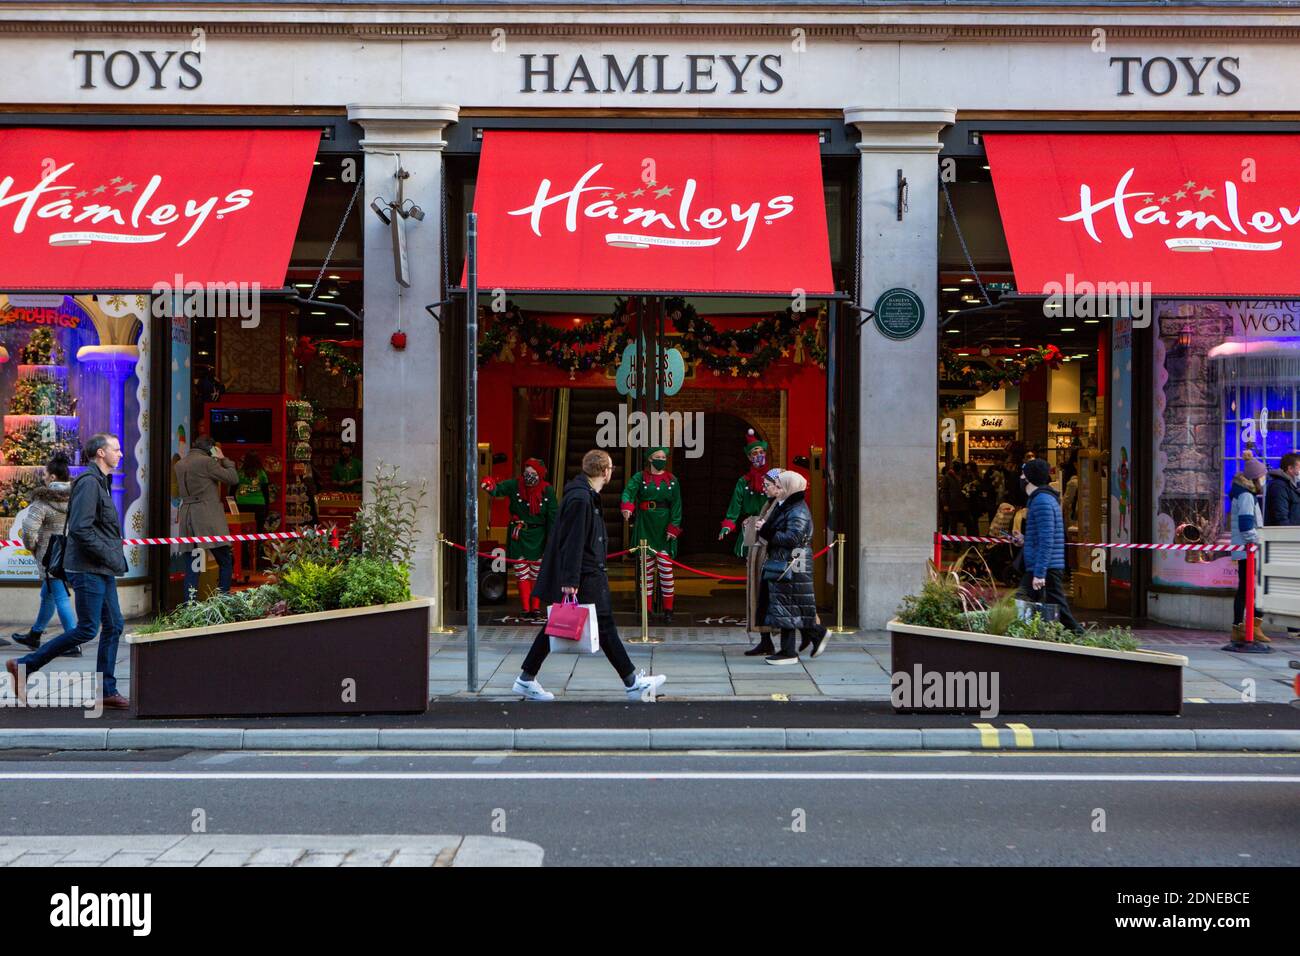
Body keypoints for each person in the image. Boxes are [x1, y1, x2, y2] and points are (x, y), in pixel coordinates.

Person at [512, 449, 667, 702]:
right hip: (585, 574)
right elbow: (573, 542)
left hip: (585, 572)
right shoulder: (581, 499)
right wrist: (570, 581)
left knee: (558, 626)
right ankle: (632, 683)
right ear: (605, 471)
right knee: (602, 625)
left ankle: (526, 679)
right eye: (612, 469)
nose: (611, 473)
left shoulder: (583, 495)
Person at [7, 434, 129, 709]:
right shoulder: (89, 483)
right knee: (87, 629)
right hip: (88, 567)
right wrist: (109, 553)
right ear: (100, 453)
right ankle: (24, 665)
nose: (120, 454)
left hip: (100, 566)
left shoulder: (101, 482)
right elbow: (80, 528)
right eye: (116, 449)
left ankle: (106, 690)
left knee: (114, 625)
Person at [9, 452, 78, 657]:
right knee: (47, 593)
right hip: (69, 551)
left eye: (46, 474)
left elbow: (29, 529)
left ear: (53, 478)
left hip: (49, 554)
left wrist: (31, 547)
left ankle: (72, 642)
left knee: (60, 596)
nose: (44, 478)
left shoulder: (43, 501)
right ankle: (35, 634)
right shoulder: (77, 498)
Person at [756, 470, 828, 664]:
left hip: (792, 561)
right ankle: (812, 636)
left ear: (790, 488)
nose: (777, 489)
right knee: (788, 604)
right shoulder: (787, 506)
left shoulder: (797, 510)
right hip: (786, 561)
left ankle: (791, 650)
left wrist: (765, 529)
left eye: (780, 486)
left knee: (787, 604)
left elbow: (792, 538)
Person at [481, 457, 557, 615]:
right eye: (526, 471)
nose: (529, 475)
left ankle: (535, 607)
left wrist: (552, 540)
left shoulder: (547, 490)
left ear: (540, 474)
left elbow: (553, 515)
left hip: (540, 536)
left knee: (536, 572)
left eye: (533, 472)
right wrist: (489, 484)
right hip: (519, 534)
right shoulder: (515, 484)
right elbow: (498, 489)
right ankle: (525, 607)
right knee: (521, 571)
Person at [1016, 457, 1081, 633]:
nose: (1021, 478)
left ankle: (1077, 635)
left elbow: (1047, 539)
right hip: (1045, 565)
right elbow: (1044, 535)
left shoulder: (1041, 501)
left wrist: (1039, 573)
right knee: (1054, 605)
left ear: (1030, 477)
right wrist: (1024, 539)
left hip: (1045, 567)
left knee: (1023, 599)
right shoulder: (1043, 499)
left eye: (1023, 474)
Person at [621, 447, 683, 623]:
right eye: (658, 457)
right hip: (645, 526)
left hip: (664, 529)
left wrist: (674, 526)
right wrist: (627, 506)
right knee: (645, 572)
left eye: (664, 457)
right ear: (650, 459)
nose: (661, 459)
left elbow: (677, 505)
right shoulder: (640, 478)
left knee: (666, 571)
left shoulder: (672, 480)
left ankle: (669, 610)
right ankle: (646, 610)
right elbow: (628, 492)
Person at [174, 435, 239, 600]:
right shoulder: (207, 462)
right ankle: (222, 600)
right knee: (225, 560)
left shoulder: (180, 463)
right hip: (208, 517)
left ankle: (190, 604)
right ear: (211, 449)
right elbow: (233, 478)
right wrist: (224, 459)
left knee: (193, 564)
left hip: (188, 516)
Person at [1230, 453, 1272, 644]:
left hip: (1246, 550)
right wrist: (1259, 541)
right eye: (1262, 476)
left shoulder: (1243, 493)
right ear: (1255, 478)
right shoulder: (1247, 496)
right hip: (1250, 550)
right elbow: (1247, 525)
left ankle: (1240, 627)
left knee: (1245, 588)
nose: (1264, 479)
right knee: (1254, 588)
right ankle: (1250, 627)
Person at [744, 467, 783, 656]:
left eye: (767, 485)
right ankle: (765, 641)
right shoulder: (770, 503)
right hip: (762, 556)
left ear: (778, 486)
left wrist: (762, 526)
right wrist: (753, 523)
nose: (764, 488)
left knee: (776, 602)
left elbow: (783, 532)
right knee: (761, 599)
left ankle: (814, 633)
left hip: (772, 557)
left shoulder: (783, 505)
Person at [718, 429, 771, 558]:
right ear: (749, 457)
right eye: (755, 453)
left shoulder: (774, 477)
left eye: (761, 452)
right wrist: (728, 524)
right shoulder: (743, 482)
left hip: (769, 522)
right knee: (751, 560)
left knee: (769, 558)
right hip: (752, 523)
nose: (759, 455)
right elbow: (735, 505)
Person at [235, 451, 271, 578]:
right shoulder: (262, 474)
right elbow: (266, 494)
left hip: (242, 506)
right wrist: (267, 510)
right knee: (257, 534)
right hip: (258, 505)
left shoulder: (239, 474)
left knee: (242, 535)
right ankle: (256, 562)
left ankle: (245, 561)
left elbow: (232, 491)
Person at [1265, 452, 1300, 528]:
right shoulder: (1278, 486)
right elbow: (1281, 518)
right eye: (1299, 468)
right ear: (1290, 468)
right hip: (1284, 536)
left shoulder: (1294, 486)